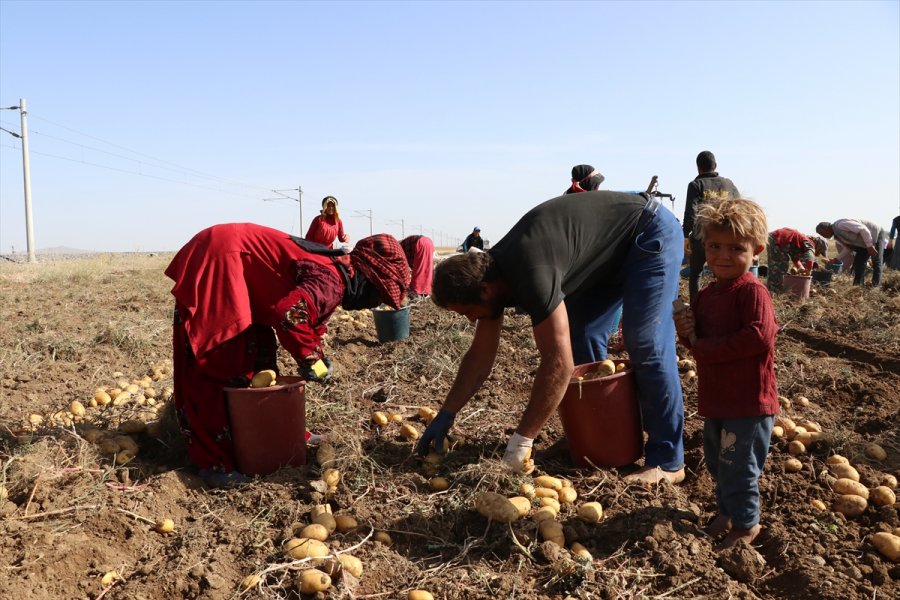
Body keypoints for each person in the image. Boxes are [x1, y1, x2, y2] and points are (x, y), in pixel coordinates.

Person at [418, 191, 686, 485]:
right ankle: (596, 442)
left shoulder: (532, 271)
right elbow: (481, 355)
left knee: (645, 339)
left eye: (469, 312)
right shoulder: (493, 278)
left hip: (646, 232)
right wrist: (447, 413)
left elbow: (558, 363)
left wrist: (522, 440)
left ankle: (668, 460)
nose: (471, 320)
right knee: (582, 333)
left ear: (484, 290)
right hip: (606, 256)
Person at [165, 224, 410, 486]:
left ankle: (275, 435)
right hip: (220, 260)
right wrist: (311, 361)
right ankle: (214, 464)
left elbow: (306, 316)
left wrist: (317, 354)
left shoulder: (335, 270)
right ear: (366, 276)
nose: (374, 303)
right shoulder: (332, 280)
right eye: (378, 294)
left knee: (260, 357)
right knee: (219, 359)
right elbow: (290, 314)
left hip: (233, 262)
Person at [673, 197, 778, 551]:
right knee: (719, 463)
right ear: (704, 247)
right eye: (715, 246)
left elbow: (759, 336)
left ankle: (748, 525)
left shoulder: (752, 291)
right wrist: (686, 331)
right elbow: (697, 344)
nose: (722, 256)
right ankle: (726, 514)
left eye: (736, 248)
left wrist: (703, 348)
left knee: (739, 467)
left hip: (748, 401)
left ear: (756, 250)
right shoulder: (706, 294)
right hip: (718, 398)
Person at [682, 151, 741, 301]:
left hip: (702, 237)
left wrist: (685, 235)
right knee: (722, 274)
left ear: (698, 168)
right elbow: (740, 208)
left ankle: (696, 307)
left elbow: (691, 213)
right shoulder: (729, 184)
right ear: (715, 166)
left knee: (696, 273)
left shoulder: (696, 185)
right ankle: (723, 304)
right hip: (725, 239)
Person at [816, 219, 886, 286]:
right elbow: (848, 248)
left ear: (826, 229)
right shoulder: (837, 236)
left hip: (876, 233)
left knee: (877, 260)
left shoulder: (840, 225)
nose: (822, 236)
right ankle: (858, 285)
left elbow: (863, 229)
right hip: (863, 242)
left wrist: (870, 246)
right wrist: (837, 259)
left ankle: (876, 285)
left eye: (822, 233)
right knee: (858, 263)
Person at [765, 228, 828, 293]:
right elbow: (810, 257)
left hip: (772, 237)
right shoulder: (810, 242)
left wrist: (801, 271)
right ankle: (775, 291)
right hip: (778, 239)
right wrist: (808, 272)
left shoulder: (800, 242)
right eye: (820, 251)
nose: (818, 254)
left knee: (774, 266)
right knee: (780, 266)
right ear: (818, 245)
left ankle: (771, 289)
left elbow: (796, 261)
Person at [400, 235, 435, 301]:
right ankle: (427, 291)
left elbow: (405, 268)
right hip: (428, 242)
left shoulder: (399, 250)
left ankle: (417, 293)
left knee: (419, 270)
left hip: (420, 243)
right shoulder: (402, 246)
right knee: (427, 269)